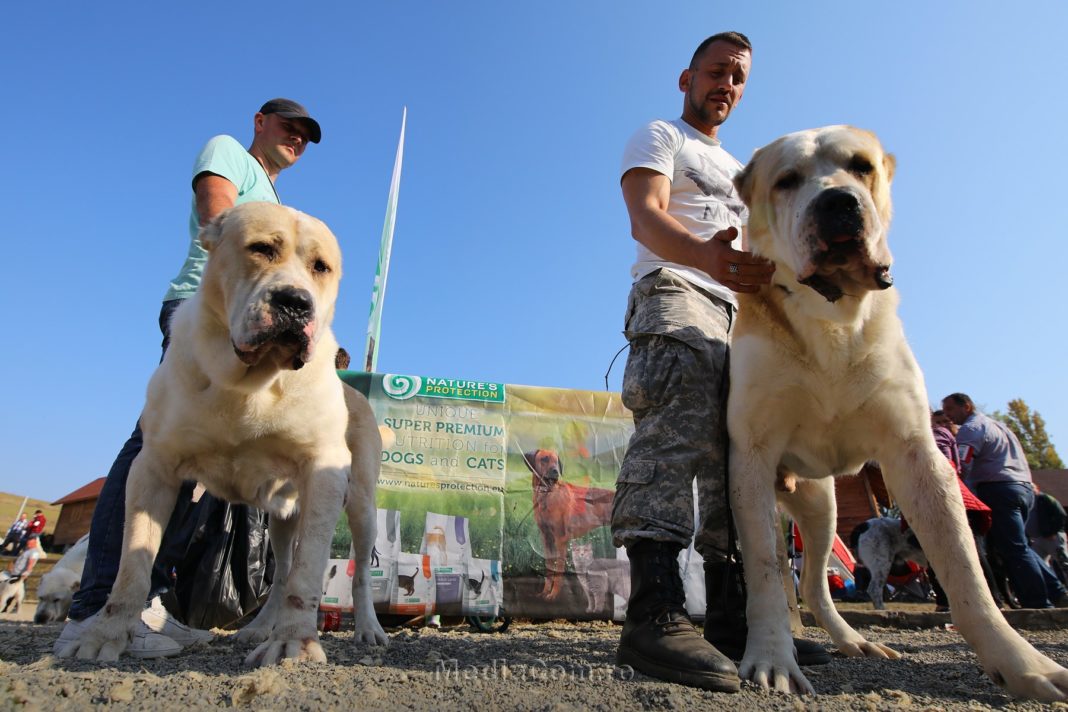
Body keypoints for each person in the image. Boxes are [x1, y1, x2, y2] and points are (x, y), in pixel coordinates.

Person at [57, 99, 322, 658]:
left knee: (209, 469)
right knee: (158, 449)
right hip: (209, 317)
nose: (296, 139)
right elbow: (216, 211)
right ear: (260, 122)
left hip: (256, 323)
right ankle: (99, 607)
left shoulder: (276, 201)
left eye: (305, 137)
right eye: (288, 127)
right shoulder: (229, 152)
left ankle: (150, 603)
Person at [611, 32, 828, 692]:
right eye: (716, 72)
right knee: (675, 430)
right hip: (677, 290)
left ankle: (734, 618)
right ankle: (653, 614)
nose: (726, 85)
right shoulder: (661, 136)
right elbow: (645, 219)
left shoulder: (741, 171)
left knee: (743, 456)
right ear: (686, 77)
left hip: (743, 320)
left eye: (738, 77)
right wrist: (705, 257)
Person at [941, 392, 1067, 608]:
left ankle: (1038, 603)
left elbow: (961, 466)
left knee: (1013, 549)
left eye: (950, 410)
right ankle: (1056, 592)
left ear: (967, 406)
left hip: (998, 490)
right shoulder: (1000, 427)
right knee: (1019, 546)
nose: (948, 416)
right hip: (1023, 487)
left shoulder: (970, 430)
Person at [1027, 485, 1068, 587]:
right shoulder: (1026, 501)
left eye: (1032, 488)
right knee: (1039, 566)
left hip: (1053, 538)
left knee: (1064, 563)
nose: (1029, 490)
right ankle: (1054, 591)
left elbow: (1061, 515)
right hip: (1036, 539)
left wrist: (1053, 531)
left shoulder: (1045, 498)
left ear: (1037, 489)